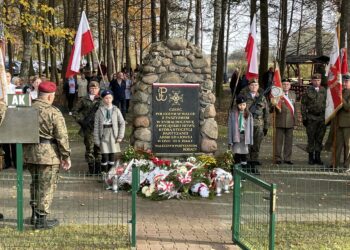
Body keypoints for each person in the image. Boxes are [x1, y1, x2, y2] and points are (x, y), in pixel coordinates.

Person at [23, 81, 71, 230]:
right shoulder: (53, 112)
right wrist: (65, 156)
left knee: (35, 183)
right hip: (48, 155)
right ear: (50, 96)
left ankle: (34, 215)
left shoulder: (26, 109)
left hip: (29, 154)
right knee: (47, 186)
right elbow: (61, 136)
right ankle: (41, 220)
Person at [73, 81, 102, 175]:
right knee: (90, 149)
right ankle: (91, 171)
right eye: (92, 88)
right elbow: (75, 111)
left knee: (99, 149)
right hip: (88, 129)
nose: (94, 90)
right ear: (89, 89)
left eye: (96, 88)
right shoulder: (83, 100)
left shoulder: (102, 99)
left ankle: (98, 170)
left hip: (99, 128)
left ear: (99, 89)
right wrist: (81, 121)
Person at [94, 90, 125, 172]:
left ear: (112, 98)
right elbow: (96, 126)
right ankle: (104, 173)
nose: (108, 100)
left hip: (113, 134)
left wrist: (120, 136)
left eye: (110, 98)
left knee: (112, 154)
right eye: (106, 98)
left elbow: (122, 123)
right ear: (103, 99)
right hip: (103, 133)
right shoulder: (99, 111)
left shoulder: (116, 110)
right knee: (104, 155)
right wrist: (96, 139)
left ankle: (110, 175)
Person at [301, 73, 326, 165]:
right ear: (312, 81)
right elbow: (303, 105)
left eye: (318, 80)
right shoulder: (307, 91)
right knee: (311, 138)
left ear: (321, 81)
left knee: (319, 138)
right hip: (311, 117)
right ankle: (311, 157)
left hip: (321, 118)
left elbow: (328, 104)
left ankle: (318, 157)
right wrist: (304, 117)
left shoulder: (324, 91)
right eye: (315, 80)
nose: (316, 82)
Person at [245, 78, 269, 172]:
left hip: (259, 125)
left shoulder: (262, 98)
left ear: (258, 87)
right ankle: (246, 164)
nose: (254, 87)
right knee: (247, 146)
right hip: (247, 125)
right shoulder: (244, 97)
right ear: (249, 86)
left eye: (256, 85)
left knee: (256, 146)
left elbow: (266, 113)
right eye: (252, 85)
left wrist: (266, 126)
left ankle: (253, 165)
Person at [228, 95, 254, 173]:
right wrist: (230, 140)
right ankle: (236, 173)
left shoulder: (249, 115)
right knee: (237, 155)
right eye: (240, 105)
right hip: (236, 137)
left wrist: (251, 140)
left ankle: (243, 173)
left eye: (243, 104)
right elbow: (230, 128)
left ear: (246, 105)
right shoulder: (233, 114)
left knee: (244, 156)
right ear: (237, 105)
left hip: (244, 138)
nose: (242, 106)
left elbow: (251, 128)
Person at [274, 79, 296, 165]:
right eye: (284, 84)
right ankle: (278, 158)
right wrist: (273, 104)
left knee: (289, 142)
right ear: (281, 85)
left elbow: (294, 108)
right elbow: (273, 109)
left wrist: (295, 121)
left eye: (287, 84)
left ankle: (287, 158)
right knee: (279, 141)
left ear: (290, 86)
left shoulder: (293, 94)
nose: (286, 86)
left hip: (290, 121)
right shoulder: (277, 94)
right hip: (280, 120)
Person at [334, 74, 350, 172]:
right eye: (343, 81)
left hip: (348, 123)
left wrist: (341, 97)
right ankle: (335, 164)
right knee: (337, 145)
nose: (344, 83)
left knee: (348, 146)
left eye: (346, 82)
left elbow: (347, 107)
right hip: (338, 122)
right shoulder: (341, 91)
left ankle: (347, 166)